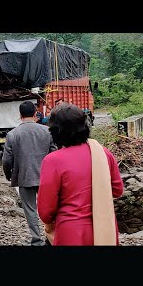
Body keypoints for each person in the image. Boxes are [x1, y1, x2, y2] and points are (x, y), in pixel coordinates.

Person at [37, 103, 124, 246]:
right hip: (104, 230)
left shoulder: (53, 161)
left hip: (70, 233)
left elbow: (46, 211)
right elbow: (117, 190)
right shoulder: (103, 153)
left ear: (55, 131)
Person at [2, 101, 57, 246]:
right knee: (50, 207)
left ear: (20, 115)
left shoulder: (12, 134)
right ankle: (52, 238)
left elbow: (7, 160)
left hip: (24, 177)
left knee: (30, 210)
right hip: (46, 178)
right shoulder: (46, 131)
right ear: (35, 113)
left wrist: (9, 175)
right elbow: (54, 154)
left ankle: (36, 240)